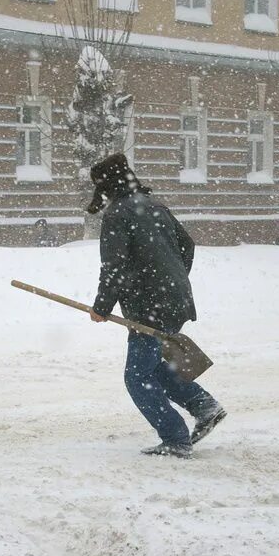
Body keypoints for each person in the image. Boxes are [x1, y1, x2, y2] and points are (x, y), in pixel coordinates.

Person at [86, 153, 226, 459]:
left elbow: (114, 266)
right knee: (151, 368)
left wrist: (102, 305)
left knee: (136, 377)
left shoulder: (117, 214)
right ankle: (204, 405)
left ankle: (176, 438)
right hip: (173, 297)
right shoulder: (154, 206)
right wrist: (172, 278)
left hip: (149, 304)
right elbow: (187, 245)